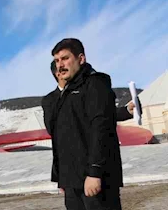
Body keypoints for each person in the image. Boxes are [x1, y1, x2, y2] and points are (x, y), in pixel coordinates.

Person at [43, 38, 123, 210]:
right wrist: (63, 179)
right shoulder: (64, 94)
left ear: (81, 59)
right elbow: (61, 136)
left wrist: (95, 172)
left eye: (65, 58)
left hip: (95, 179)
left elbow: (101, 128)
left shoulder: (95, 85)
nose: (60, 65)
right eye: (57, 61)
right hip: (72, 181)